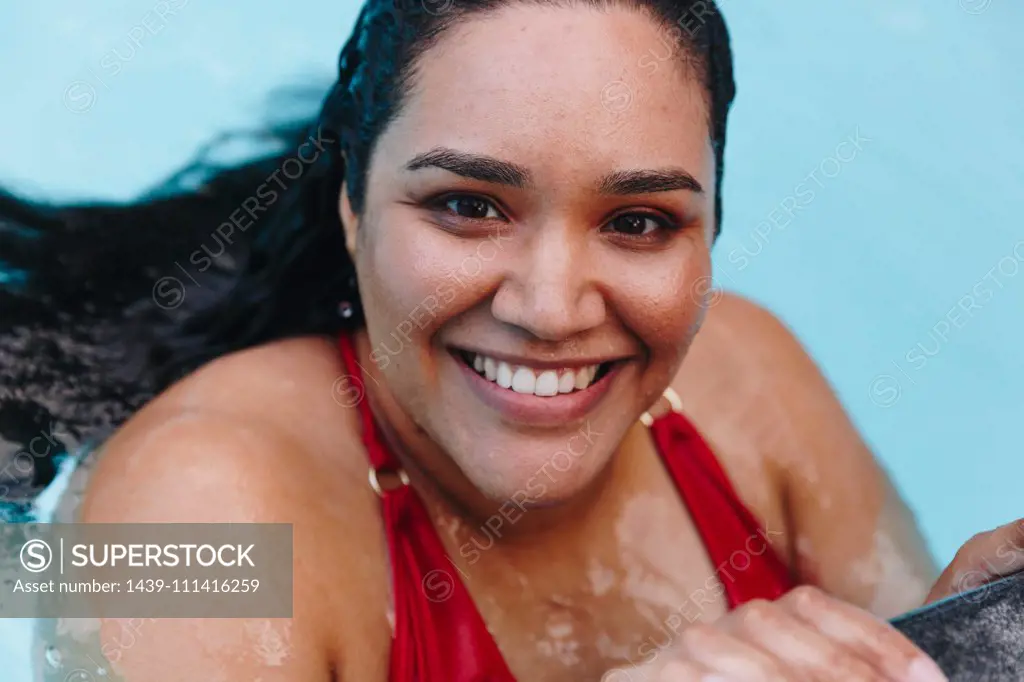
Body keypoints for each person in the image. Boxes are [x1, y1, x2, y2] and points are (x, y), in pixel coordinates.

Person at [5, 0, 1023, 680]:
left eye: (637, 221)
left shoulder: (748, 386)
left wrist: (944, 637)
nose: (551, 307)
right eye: (466, 205)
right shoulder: (198, 511)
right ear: (354, 209)